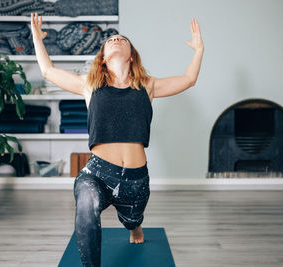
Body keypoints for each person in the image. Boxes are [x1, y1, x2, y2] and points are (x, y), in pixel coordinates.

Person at [31, 12, 204, 267]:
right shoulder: (89, 85)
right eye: (111, 39)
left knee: (133, 220)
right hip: (97, 172)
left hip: (136, 179)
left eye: (122, 39)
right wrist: (37, 38)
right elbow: (48, 71)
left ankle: (134, 226)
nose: (115, 39)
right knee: (86, 204)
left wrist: (198, 50)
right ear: (102, 57)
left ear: (131, 55)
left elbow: (188, 80)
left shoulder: (147, 85)